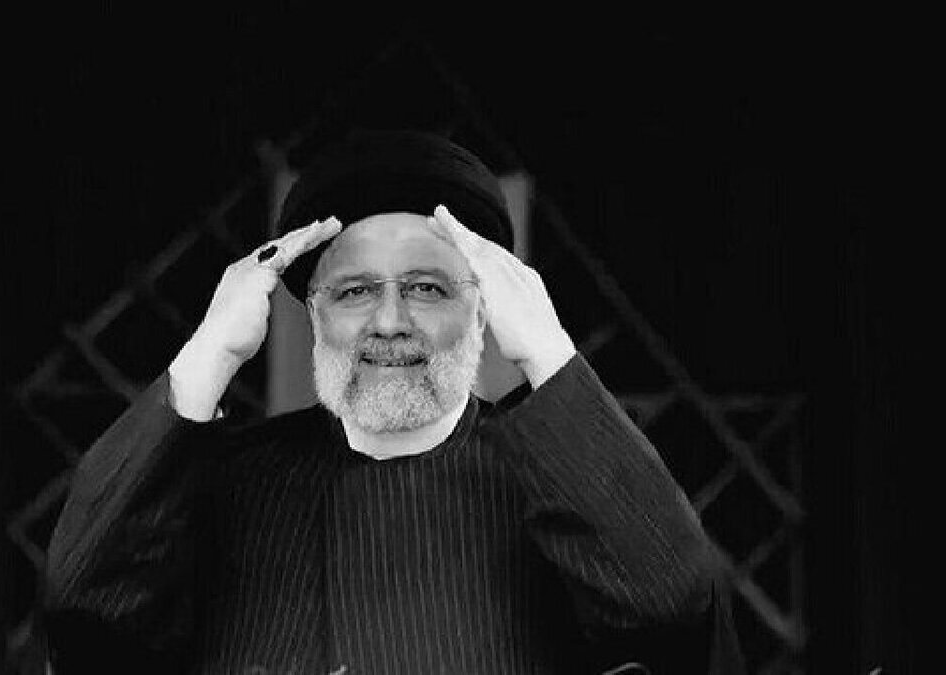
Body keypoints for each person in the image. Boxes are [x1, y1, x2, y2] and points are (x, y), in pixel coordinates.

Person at [41, 130, 746, 674]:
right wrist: (208, 356)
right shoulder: (231, 482)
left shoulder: (556, 483)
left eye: (426, 288)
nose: (388, 320)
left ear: (484, 310)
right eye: (354, 291)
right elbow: (85, 616)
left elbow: (674, 610)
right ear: (314, 314)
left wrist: (546, 352)